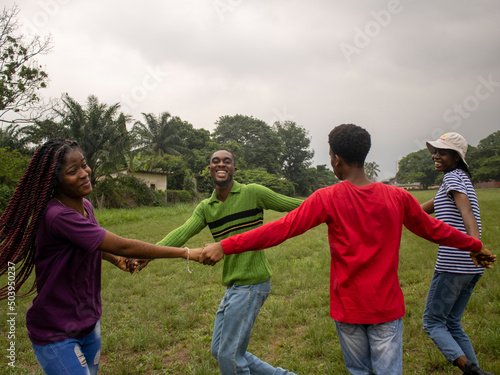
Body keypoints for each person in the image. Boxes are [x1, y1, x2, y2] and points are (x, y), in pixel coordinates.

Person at [200, 125, 496, 375]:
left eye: (330, 156)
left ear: (337, 159)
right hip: (386, 310)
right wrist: (474, 245)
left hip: (349, 310)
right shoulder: (397, 197)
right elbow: (434, 229)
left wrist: (225, 245)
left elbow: (278, 230)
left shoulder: (327, 197)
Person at [0, 139, 202, 375]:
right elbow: (125, 246)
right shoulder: (57, 216)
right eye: (72, 171)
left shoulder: (85, 205)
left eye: (84, 165)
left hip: (87, 321)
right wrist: (187, 253)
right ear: (54, 181)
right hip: (56, 332)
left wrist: (115, 260)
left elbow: (91, 243)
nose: (84, 174)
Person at [156, 149, 302, 374]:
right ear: (209, 170)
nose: (221, 165)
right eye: (215, 162)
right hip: (233, 286)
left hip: (253, 282)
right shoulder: (207, 207)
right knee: (219, 350)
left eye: (227, 162)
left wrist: (331, 205)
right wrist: (148, 253)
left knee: (229, 355)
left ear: (234, 169)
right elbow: (182, 233)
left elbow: (296, 205)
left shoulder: (253, 193)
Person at [420, 133, 495, 375]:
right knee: (452, 322)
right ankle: (477, 372)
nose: (436, 156)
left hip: (454, 263)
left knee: (433, 322)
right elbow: (418, 211)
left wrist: (475, 245)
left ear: (456, 157)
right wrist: (392, 211)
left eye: (442, 152)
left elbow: (467, 213)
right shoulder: (456, 180)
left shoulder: (453, 179)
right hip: (472, 267)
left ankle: (468, 368)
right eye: (435, 151)